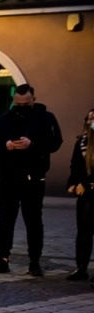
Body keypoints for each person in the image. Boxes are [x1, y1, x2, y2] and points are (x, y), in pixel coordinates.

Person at [0, 83, 61, 277]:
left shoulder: (45, 118)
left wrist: (32, 144)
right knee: (5, 220)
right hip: (8, 177)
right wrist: (5, 145)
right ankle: (3, 258)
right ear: (13, 101)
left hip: (33, 178)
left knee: (33, 221)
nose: (22, 106)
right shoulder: (3, 120)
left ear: (33, 99)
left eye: (26, 103)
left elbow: (55, 143)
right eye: (18, 103)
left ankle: (34, 261)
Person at [69, 108, 94, 282]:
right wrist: (73, 183)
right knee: (84, 232)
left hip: (90, 188)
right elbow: (75, 165)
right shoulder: (81, 142)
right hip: (85, 194)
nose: (91, 122)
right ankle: (81, 268)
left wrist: (86, 183)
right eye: (90, 118)